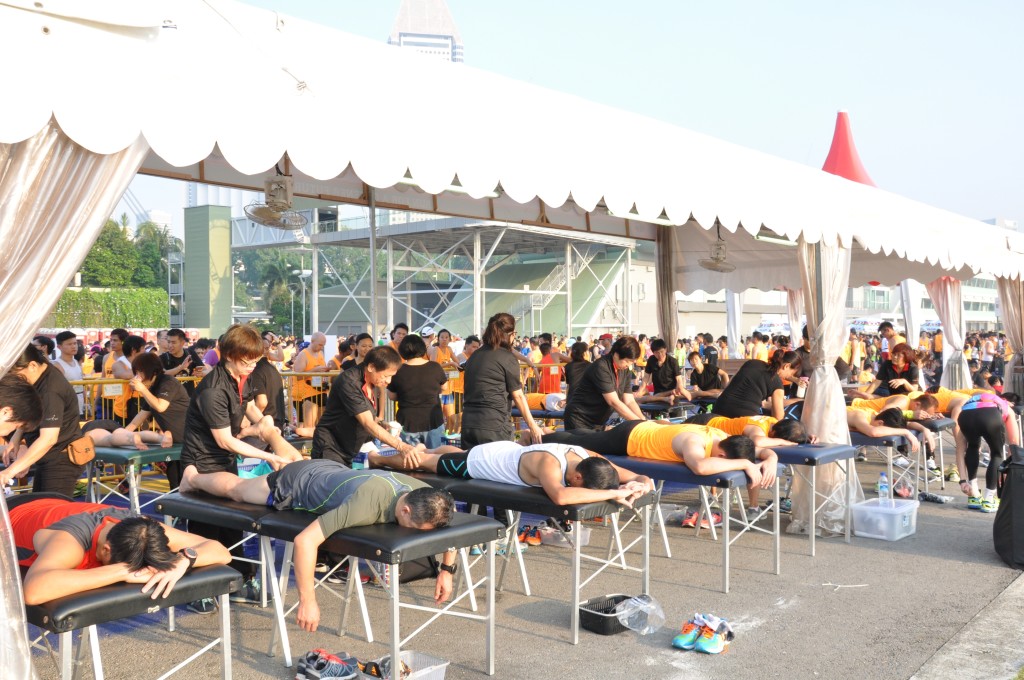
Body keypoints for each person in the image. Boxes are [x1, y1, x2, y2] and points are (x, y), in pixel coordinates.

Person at [179, 460, 457, 632]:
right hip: (297, 482)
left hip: (332, 471)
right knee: (238, 490)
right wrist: (308, 601)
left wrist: (446, 570)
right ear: (406, 510)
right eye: (415, 529)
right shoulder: (365, 504)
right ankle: (191, 478)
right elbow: (305, 540)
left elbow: (448, 531)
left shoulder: (421, 492)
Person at [180, 324, 304, 605]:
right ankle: (200, 591)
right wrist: (270, 456)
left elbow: (248, 405)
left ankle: (237, 581)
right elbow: (225, 440)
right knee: (205, 531)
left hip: (224, 461)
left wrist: (266, 427)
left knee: (233, 526)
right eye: (247, 360)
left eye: (255, 360)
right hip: (201, 462)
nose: (252, 366)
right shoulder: (213, 390)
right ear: (229, 355)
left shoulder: (241, 376)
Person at [12, 494, 231, 606]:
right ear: (106, 550)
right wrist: (124, 571)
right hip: (11, 516)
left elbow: (221, 551)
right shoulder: (71, 543)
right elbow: (33, 591)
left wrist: (183, 560)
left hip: (56, 503)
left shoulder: (143, 529)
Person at [537, 420, 777, 510]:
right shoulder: (694, 442)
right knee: (580, 442)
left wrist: (772, 459)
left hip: (646, 428)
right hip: (629, 437)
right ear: (724, 456)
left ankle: (550, 431)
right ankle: (540, 436)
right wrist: (745, 463)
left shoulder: (722, 437)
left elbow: (761, 450)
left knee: (588, 436)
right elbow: (700, 468)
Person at [368, 440, 653, 507]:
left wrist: (639, 485)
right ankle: (376, 457)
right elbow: (561, 497)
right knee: (422, 463)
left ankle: (431, 448)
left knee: (450, 453)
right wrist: (614, 492)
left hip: (506, 451)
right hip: (481, 462)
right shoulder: (550, 465)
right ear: (578, 478)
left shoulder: (589, 459)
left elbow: (640, 477)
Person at [313, 345, 422, 466]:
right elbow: (367, 423)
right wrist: (402, 446)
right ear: (371, 367)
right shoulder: (350, 382)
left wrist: (381, 423)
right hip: (330, 447)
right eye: (386, 376)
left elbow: (364, 414)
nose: (389, 381)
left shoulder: (372, 381)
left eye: (391, 376)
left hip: (348, 449)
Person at [1, 345, 84, 495]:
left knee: (51, 507)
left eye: (15, 374)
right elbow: (28, 415)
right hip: (48, 456)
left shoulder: (50, 390)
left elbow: (48, 439)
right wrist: (16, 438)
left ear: (32, 366)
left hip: (61, 458)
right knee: (39, 504)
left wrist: (10, 471)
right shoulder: (40, 377)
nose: (14, 380)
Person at [461, 313, 544, 448]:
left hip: (468, 424)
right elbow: (518, 395)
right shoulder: (507, 357)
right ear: (510, 335)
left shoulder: (475, 355)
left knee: (471, 460)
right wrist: (533, 426)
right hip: (494, 426)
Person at [123, 351, 191, 488]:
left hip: (189, 439)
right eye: (136, 372)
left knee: (187, 482)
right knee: (174, 482)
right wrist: (121, 434)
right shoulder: (152, 388)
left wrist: (142, 390)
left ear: (151, 371)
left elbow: (160, 406)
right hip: (175, 442)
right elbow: (140, 417)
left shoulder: (168, 382)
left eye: (140, 371)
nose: (137, 376)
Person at [955, 392, 1021, 513]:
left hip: (965, 416)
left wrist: (963, 481)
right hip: (990, 416)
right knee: (997, 454)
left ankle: (973, 495)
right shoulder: (1007, 408)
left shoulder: (973, 402)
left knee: (972, 447)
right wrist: (1005, 472)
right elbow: (1014, 444)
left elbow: (959, 449)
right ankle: (989, 499)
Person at [563, 336, 645, 431]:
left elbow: (629, 401)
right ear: (616, 355)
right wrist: (639, 423)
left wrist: (643, 420)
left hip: (597, 421)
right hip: (579, 418)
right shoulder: (601, 367)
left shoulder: (625, 370)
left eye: (631, 362)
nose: (628, 365)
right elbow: (613, 402)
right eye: (627, 361)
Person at [389, 334, 447, 449]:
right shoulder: (435, 367)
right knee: (435, 456)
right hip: (433, 420)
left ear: (402, 350)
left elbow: (392, 396)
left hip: (408, 422)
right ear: (422, 348)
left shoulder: (398, 370)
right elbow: (444, 388)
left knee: (411, 458)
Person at [712, 352, 801, 421]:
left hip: (718, 409)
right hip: (743, 418)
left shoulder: (752, 362)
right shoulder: (778, 384)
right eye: (792, 373)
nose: (789, 377)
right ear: (787, 366)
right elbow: (778, 418)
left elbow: (730, 383)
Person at [291, 331, 331, 433]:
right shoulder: (303, 355)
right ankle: (294, 429)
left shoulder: (320, 354)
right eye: (320, 345)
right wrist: (315, 370)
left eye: (323, 345)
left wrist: (326, 371)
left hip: (320, 391)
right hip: (306, 394)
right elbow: (298, 376)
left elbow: (322, 370)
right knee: (308, 427)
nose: (321, 347)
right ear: (312, 341)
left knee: (321, 425)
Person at [249, 331, 287, 434]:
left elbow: (262, 402)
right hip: (277, 422)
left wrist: (251, 421)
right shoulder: (273, 369)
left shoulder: (256, 370)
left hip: (266, 426)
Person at [850, 343, 920, 398]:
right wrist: (865, 395)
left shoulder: (913, 368)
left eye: (898, 356)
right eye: (894, 354)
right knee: (869, 397)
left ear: (906, 357)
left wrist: (904, 382)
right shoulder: (887, 364)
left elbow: (915, 390)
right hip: (892, 396)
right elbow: (876, 382)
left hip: (908, 398)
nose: (894, 357)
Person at [428, 329, 461, 433]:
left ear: (450, 339)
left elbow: (457, 362)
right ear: (438, 339)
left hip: (448, 388)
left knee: (451, 419)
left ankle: (446, 437)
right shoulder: (435, 349)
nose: (444, 339)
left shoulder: (449, 349)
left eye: (446, 337)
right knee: (439, 418)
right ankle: (439, 438)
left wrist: (452, 365)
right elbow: (433, 365)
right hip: (439, 389)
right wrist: (449, 364)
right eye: (442, 337)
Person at [637, 338, 688, 405]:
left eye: (662, 351)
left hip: (671, 392)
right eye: (657, 353)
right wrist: (640, 391)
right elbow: (646, 377)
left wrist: (679, 388)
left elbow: (678, 379)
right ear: (653, 352)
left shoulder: (673, 361)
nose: (660, 354)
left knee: (674, 411)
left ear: (665, 349)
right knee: (643, 400)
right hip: (658, 392)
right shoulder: (651, 360)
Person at [161, 328, 204, 396]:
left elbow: (205, 369)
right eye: (168, 342)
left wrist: (201, 373)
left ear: (182, 343)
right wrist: (181, 367)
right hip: (169, 397)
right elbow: (163, 374)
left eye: (173, 342)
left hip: (188, 397)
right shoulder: (163, 357)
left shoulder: (191, 354)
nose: (170, 345)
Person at [52, 330, 84, 416]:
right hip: (66, 409)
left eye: (75, 343)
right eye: (69, 344)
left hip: (79, 406)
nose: (73, 346)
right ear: (59, 347)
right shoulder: (56, 365)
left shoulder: (76, 362)